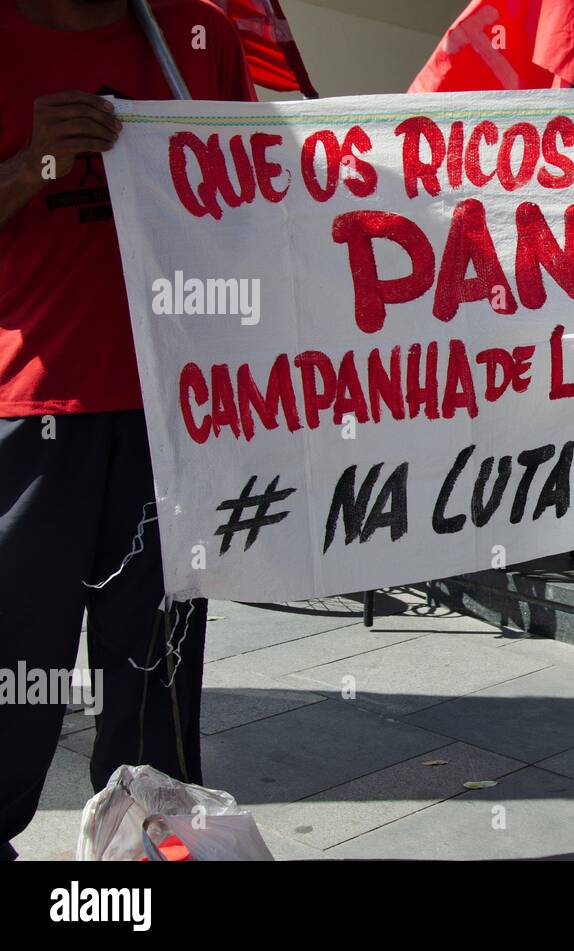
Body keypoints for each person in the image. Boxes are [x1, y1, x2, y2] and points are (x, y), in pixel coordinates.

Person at [0, 0, 254, 860]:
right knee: (12, 671)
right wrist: (31, 164)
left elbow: (258, 208)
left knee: (153, 687)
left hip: (174, 422)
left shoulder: (199, 37)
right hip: (27, 418)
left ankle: (137, 869)